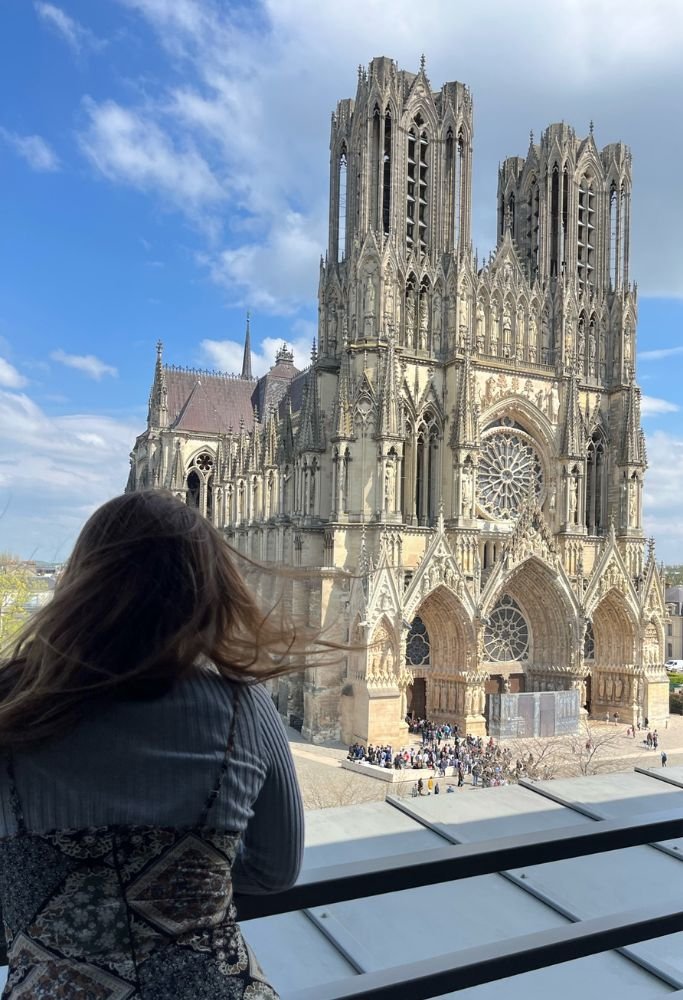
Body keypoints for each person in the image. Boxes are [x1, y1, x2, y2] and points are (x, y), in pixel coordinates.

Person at [0, 490, 344, 999]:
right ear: (208, 589)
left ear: (82, 579)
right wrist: (190, 872)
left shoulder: (12, 699)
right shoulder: (243, 705)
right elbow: (275, 870)